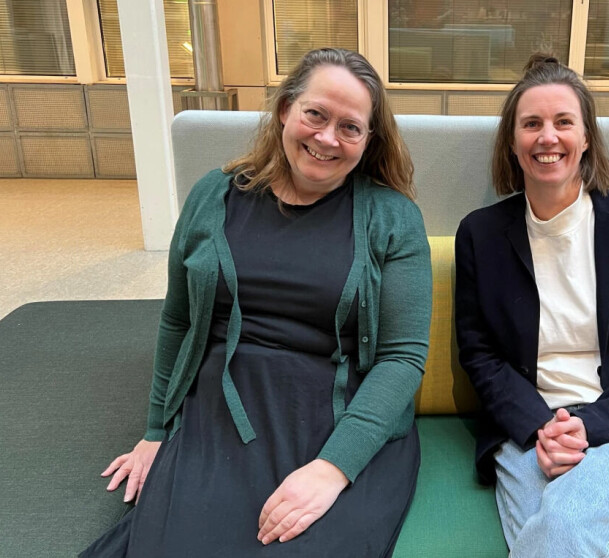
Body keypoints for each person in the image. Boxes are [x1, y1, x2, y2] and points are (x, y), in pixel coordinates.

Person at [82, 48, 432, 557]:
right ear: (286, 108)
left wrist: (331, 470)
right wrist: (156, 431)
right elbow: (178, 320)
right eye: (315, 114)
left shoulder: (393, 218)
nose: (327, 137)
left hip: (344, 421)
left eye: (351, 127)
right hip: (221, 413)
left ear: (369, 140)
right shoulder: (213, 196)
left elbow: (403, 358)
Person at [454, 54, 609, 558]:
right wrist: (543, 427)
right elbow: (480, 355)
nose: (548, 137)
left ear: (586, 137)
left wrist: (591, 427)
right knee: (556, 535)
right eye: (532, 124)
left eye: (564, 122)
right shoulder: (480, 235)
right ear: (512, 141)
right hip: (527, 427)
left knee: (558, 525)